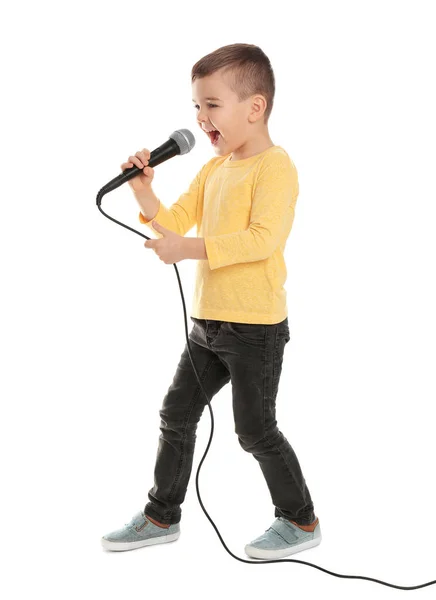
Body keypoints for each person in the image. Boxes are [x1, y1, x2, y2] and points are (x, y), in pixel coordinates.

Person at [101, 43, 321, 559]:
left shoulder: (275, 167)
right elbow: (173, 223)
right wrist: (142, 191)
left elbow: (261, 239)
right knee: (176, 414)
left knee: (255, 430)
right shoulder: (214, 169)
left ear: (254, 107)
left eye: (211, 105)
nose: (200, 118)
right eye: (195, 107)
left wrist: (187, 249)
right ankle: (161, 515)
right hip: (208, 327)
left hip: (255, 329)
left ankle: (301, 519)